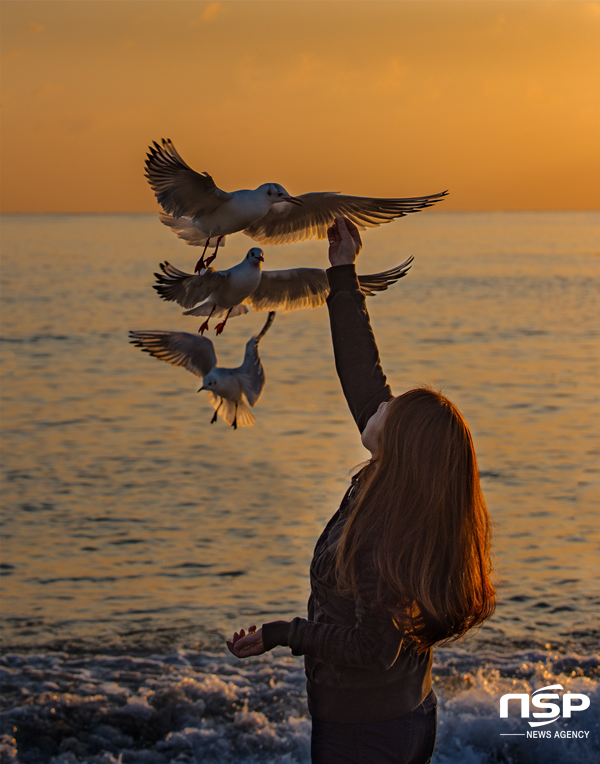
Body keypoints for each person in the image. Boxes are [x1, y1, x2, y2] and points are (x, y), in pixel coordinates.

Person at [227, 217, 496, 764]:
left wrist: (285, 633)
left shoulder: (381, 534)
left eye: (391, 410)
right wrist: (342, 271)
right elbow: (362, 370)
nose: (381, 403)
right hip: (400, 715)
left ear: (397, 445)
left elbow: (372, 650)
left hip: (365, 734)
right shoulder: (395, 487)